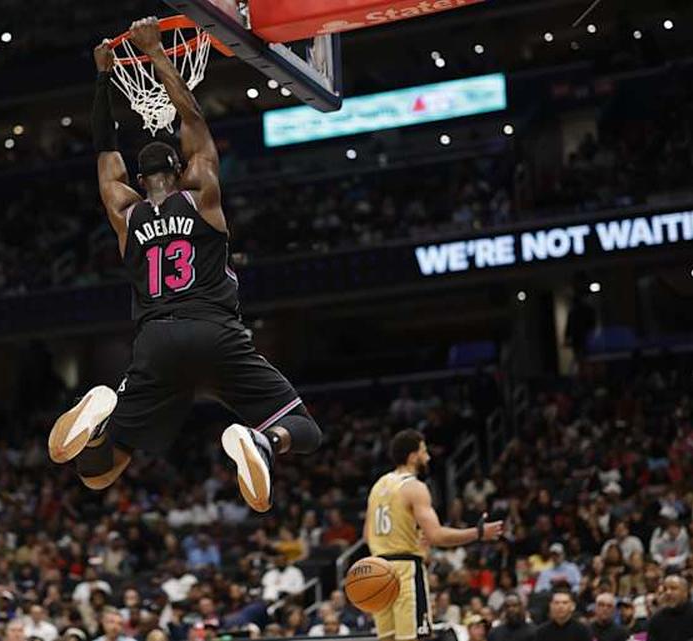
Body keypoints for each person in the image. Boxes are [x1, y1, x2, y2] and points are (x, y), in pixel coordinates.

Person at [47, 17, 323, 513]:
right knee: (304, 428)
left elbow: (104, 147)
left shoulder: (124, 212)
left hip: (155, 342)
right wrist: (156, 53)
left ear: (137, 178)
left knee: (96, 474)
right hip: (215, 330)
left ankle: (99, 420)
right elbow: (192, 119)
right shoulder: (200, 194)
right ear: (180, 170)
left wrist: (103, 78)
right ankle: (263, 443)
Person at [364, 429, 504, 641]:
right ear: (412, 456)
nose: (427, 457)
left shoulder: (378, 486)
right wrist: (478, 533)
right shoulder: (415, 487)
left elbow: (367, 536)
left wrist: (410, 533)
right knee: (416, 638)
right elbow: (438, 536)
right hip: (405, 571)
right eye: (424, 451)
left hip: (379, 572)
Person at [646, 575, 693, 641]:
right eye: (665, 589)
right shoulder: (657, 618)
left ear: (685, 592)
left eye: (673, 588)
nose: (668, 592)